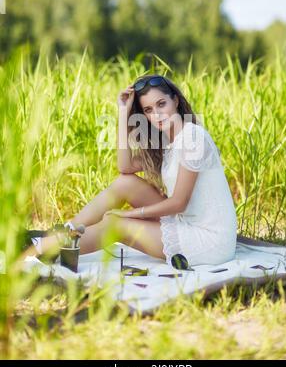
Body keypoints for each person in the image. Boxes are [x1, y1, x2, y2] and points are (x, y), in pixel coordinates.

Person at [23, 74, 237, 267]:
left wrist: (129, 214)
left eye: (161, 104)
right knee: (126, 183)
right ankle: (65, 231)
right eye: (148, 110)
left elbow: (178, 203)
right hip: (185, 222)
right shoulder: (168, 141)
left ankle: (41, 248)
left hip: (209, 240)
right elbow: (125, 167)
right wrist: (124, 113)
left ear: (176, 101)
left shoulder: (192, 137)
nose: (157, 115)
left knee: (115, 224)